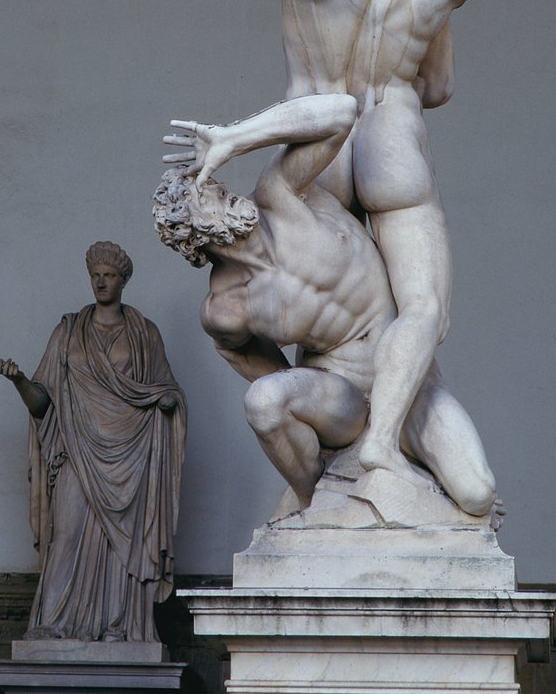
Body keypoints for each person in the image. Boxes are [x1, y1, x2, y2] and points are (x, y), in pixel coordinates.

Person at [253, 0, 476, 481]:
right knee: (423, 308)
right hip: (390, 132)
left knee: (331, 313)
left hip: (317, 135)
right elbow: (438, 86)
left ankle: (325, 449)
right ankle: (380, 441)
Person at [154, 94, 495, 519]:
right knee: (264, 402)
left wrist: (234, 138)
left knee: (477, 493)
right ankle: (314, 500)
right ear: (193, 230)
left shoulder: (280, 194)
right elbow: (256, 365)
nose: (221, 188)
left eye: (214, 182)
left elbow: (340, 112)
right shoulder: (226, 308)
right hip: (341, 396)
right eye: (207, 192)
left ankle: (382, 449)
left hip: (412, 383)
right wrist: (308, 410)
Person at [0, 242, 186, 642]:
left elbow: (166, 388)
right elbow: (43, 403)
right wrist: (20, 382)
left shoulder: (145, 333)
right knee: (65, 534)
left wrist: (167, 401)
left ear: (123, 280)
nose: (101, 282)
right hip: (77, 452)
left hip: (130, 457)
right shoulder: (67, 333)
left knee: (123, 547)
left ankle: (120, 626)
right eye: (95, 275)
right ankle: (54, 624)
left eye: (109, 276)